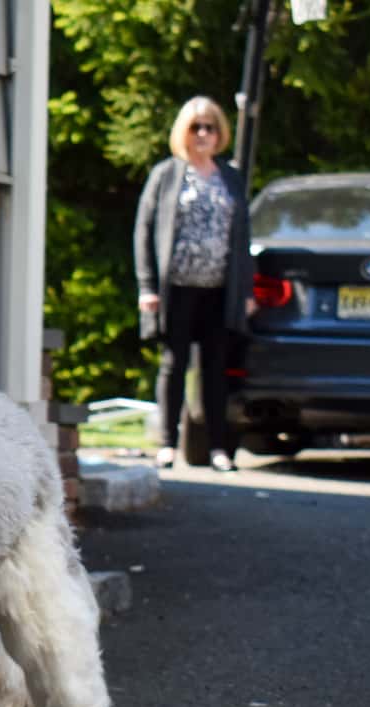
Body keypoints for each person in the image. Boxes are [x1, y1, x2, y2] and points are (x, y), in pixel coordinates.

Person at [134, 95, 256, 473]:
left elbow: (243, 237)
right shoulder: (167, 175)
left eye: (210, 127)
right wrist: (146, 286)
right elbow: (144, 230)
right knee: (174, 364)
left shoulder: (230, 178)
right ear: (183, 132)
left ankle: (219, 448)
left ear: (220, 133)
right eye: (196, 127)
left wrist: (247, 291)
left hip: (220, 290)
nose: (203, 134)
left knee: (216, 369)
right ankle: (167, 444)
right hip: (177, 289)